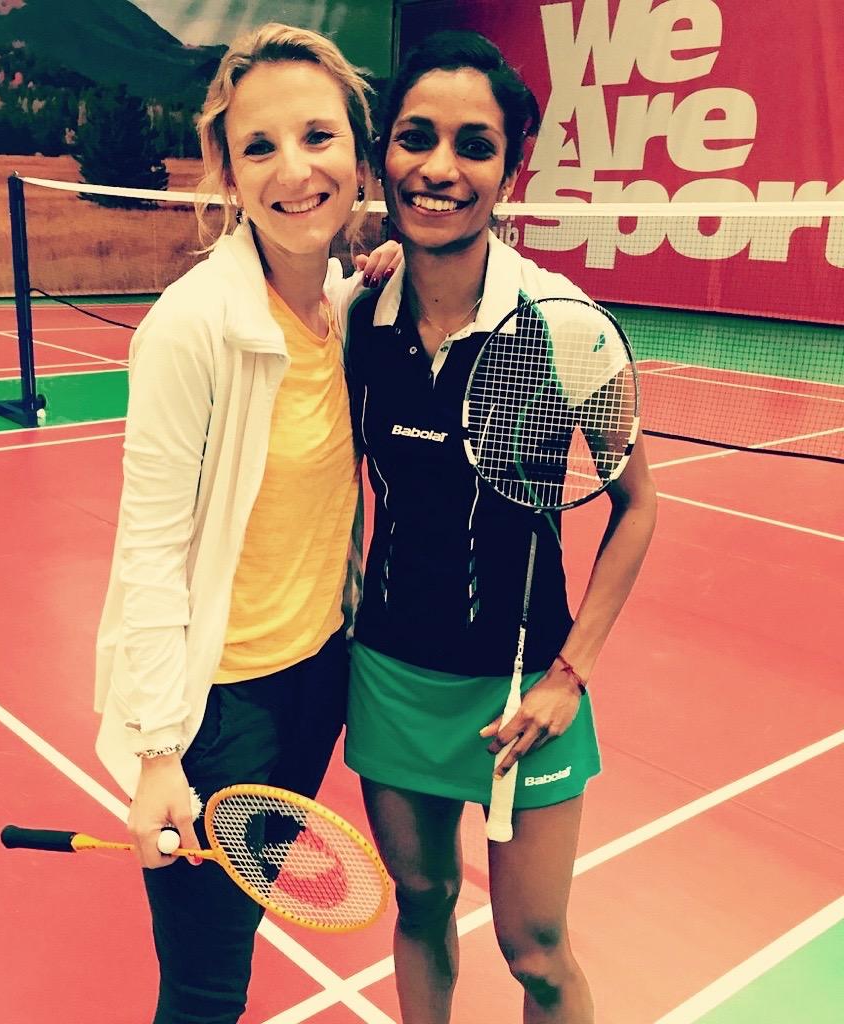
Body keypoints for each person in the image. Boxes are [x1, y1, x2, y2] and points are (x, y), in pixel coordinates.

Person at [344, 31, 658, 1023]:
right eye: (415, 138)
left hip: (524, 689)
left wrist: (572, 673)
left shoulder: (566, 325)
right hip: (390, 674)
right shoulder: (357, 317)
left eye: (473, 146)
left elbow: (637, 504)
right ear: (383, 156)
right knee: (421, 903)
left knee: (536, 948)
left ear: (509, 172)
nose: (439, 168)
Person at [92, 23, 397, 1024]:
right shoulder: (190, 329)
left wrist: (382, 276)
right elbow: (147, 551)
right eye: (259, 146)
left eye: (317, 136)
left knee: (238, 934)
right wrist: (156, 755)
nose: (294, 170)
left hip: (316, 682)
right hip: (217, 714)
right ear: (227, 172)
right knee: (207, 983)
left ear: (358, 153)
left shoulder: (345, 308)